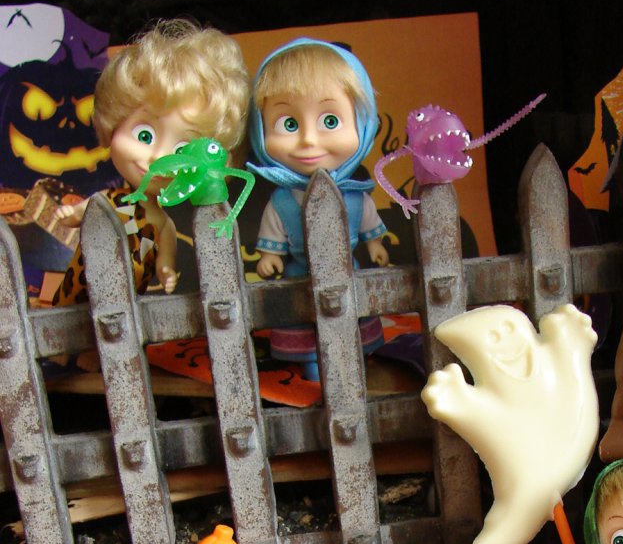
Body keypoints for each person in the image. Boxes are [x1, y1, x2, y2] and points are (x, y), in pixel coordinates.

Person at [53, 19, 250, 305]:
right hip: (84, 288)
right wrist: (70, 213)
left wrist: (165, 270)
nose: (158, 156)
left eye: (181, 149)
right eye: (144, 135)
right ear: (112, 121)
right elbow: (82, 214)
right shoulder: (110, 201)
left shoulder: (162, 222)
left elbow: (164, 258)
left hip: (130, 302)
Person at [247, 37, 389, 380]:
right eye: (289, 124)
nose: (309, 140)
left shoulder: (355, 195)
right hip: (300, 277)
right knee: (305, 327)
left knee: (355, 322)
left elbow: (368, 221)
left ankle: (359, 356)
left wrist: (374, 244)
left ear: (362, 122)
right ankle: (313, 365)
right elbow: (273, 231)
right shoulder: (282, 200)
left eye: (329, 121)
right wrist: (270, 256)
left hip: (347, 273)